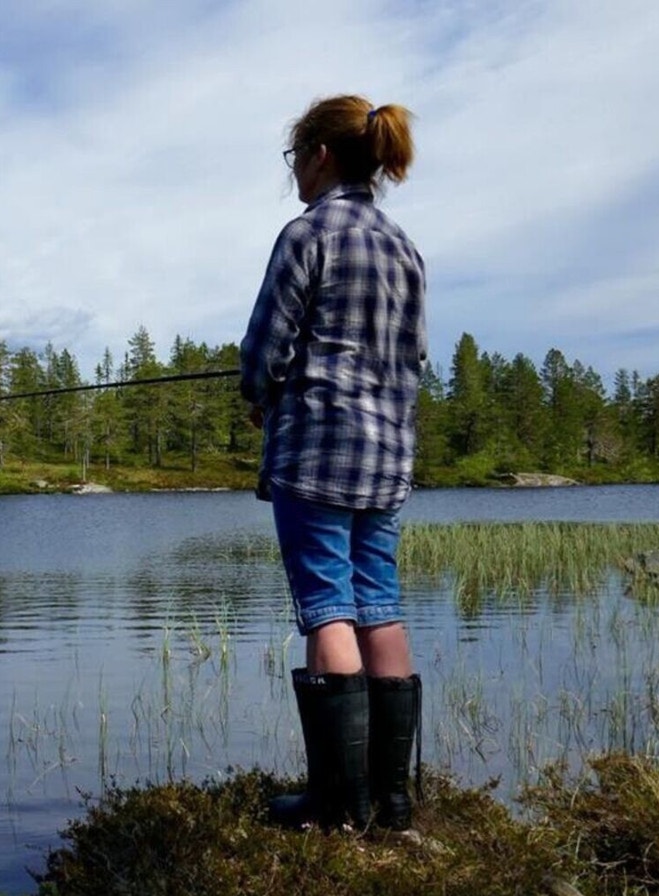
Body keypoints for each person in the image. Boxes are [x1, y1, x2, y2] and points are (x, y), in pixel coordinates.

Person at [238, 94, 425, 831]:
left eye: (296, 159)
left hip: (316, 454)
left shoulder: (307, 235)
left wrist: (259, 397)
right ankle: (394, 801)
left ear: (319, 155)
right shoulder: (404, 247)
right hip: (386, 459)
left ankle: (338, 805)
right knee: (380, 603)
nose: (295, 175)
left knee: (329, 607)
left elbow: (263, 351)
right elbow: (411, 360)